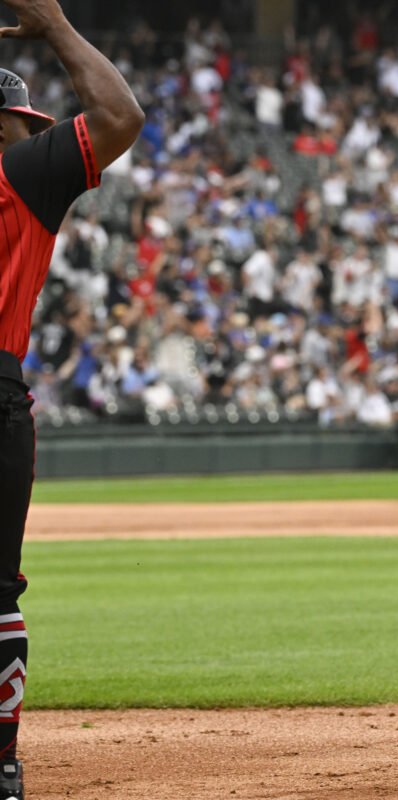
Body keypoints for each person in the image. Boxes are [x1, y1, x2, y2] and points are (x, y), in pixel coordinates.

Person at [0, 1, 144, 797]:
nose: (35, 134)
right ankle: (1, 762)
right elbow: (118, 115)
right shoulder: (18, 172)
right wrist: (54, 23)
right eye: (24, 122)